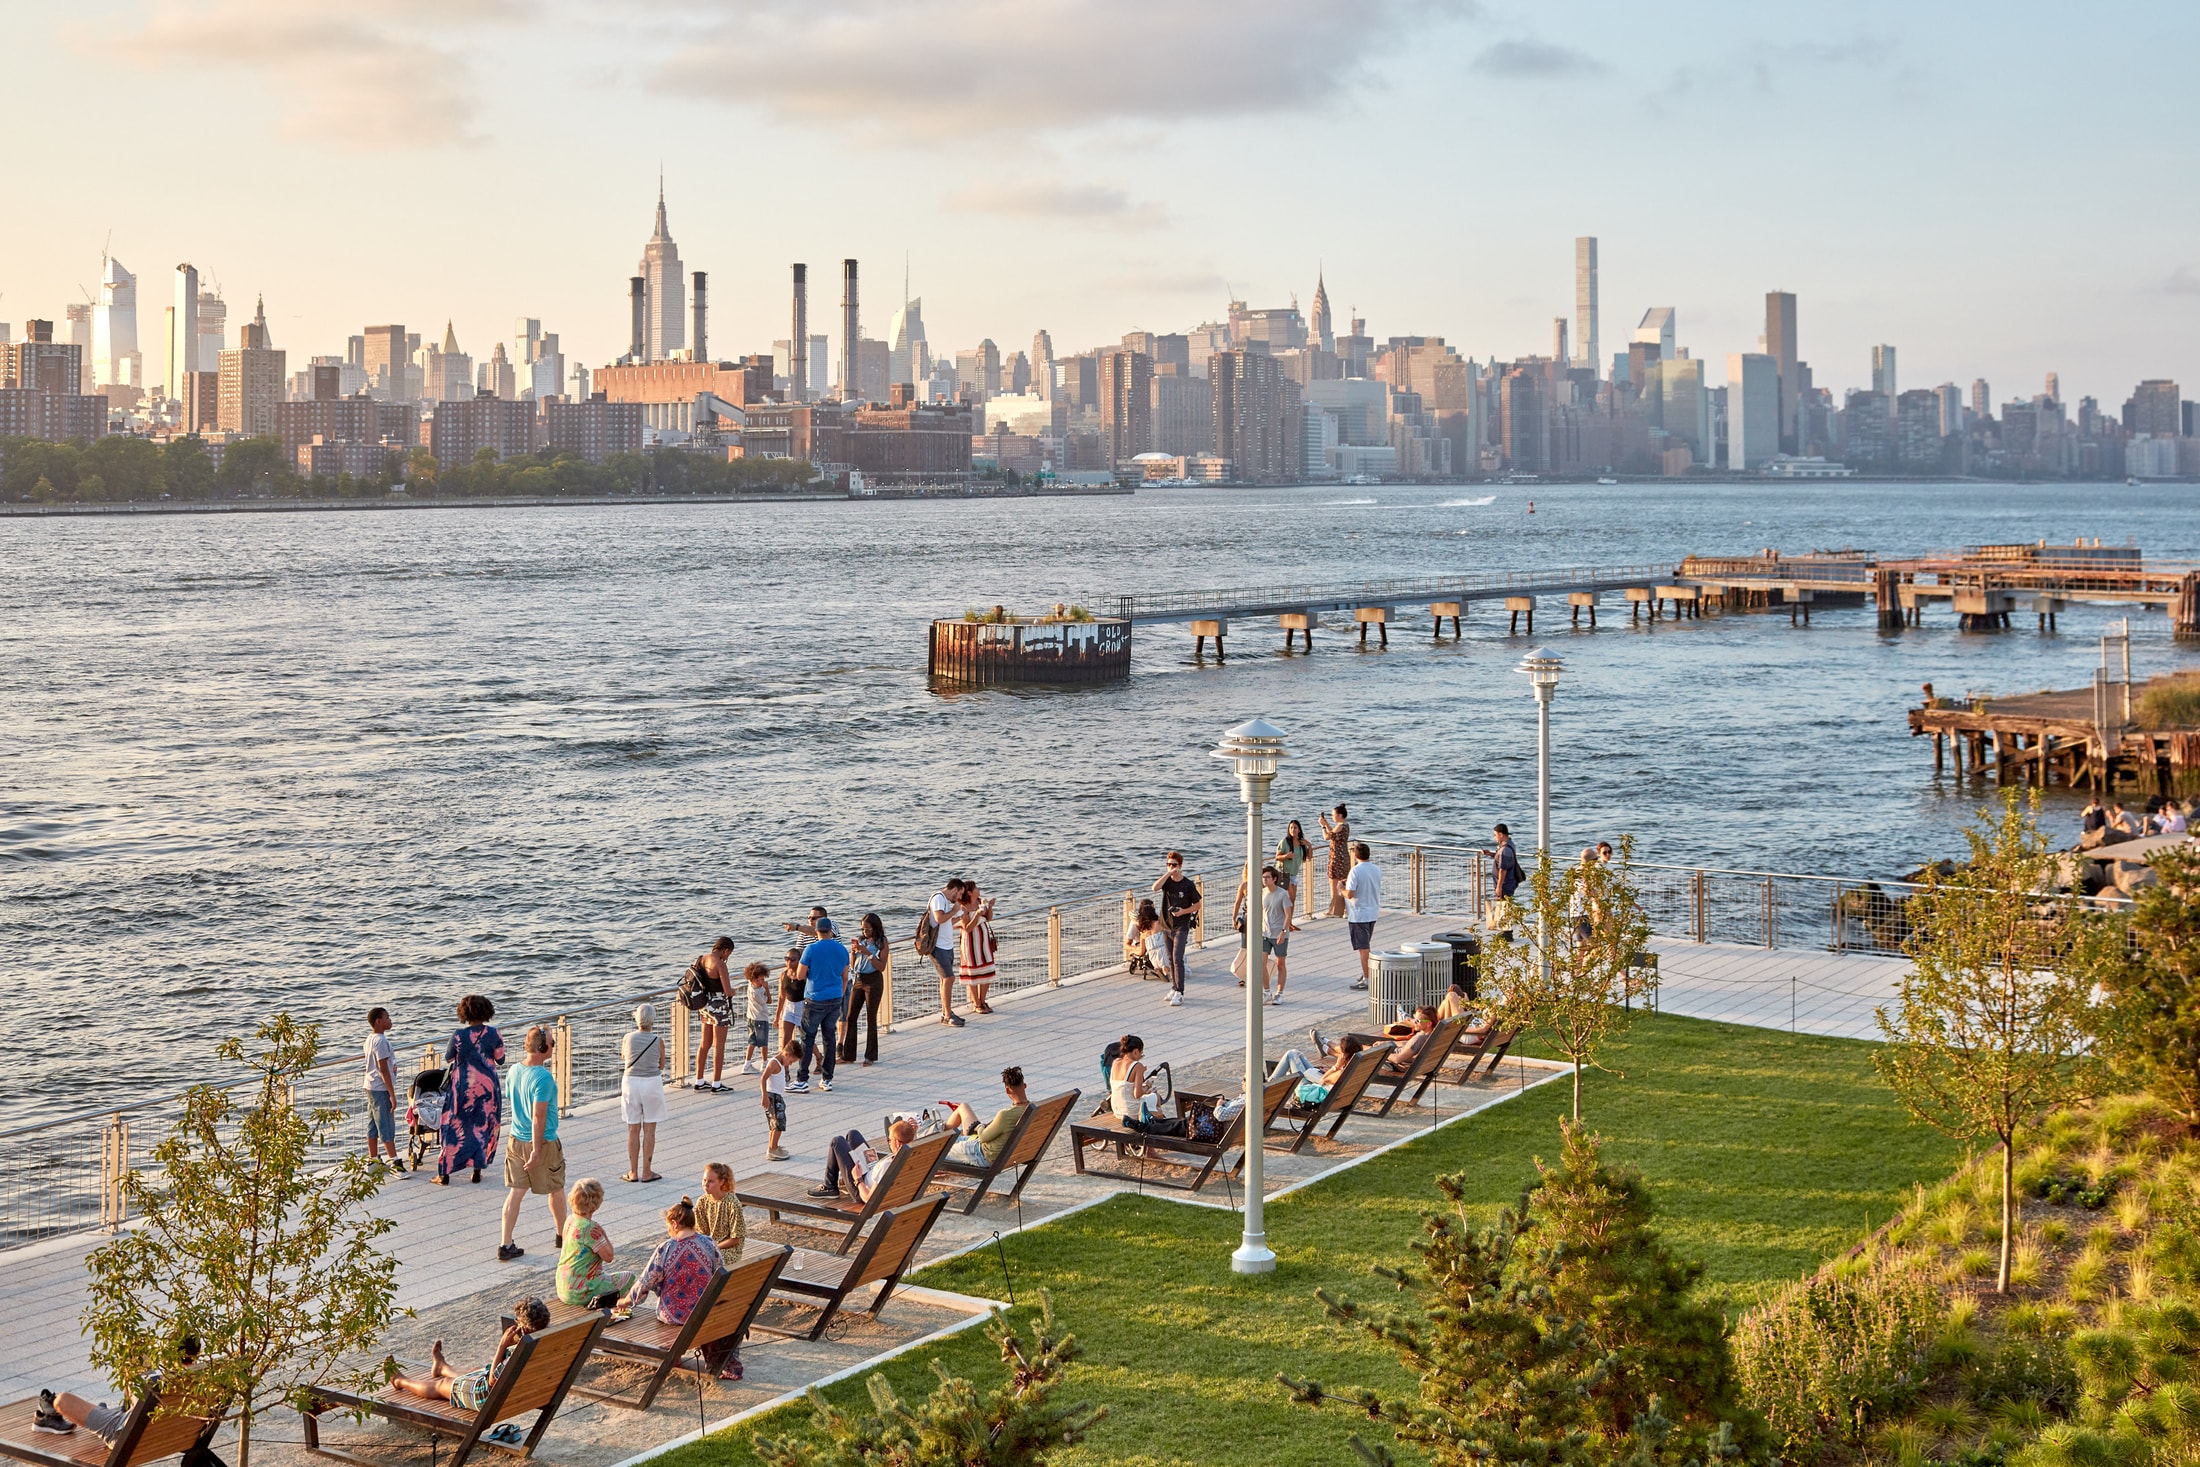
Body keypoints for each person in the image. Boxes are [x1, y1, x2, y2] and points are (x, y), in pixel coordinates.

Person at [387, 1300, 546, 1409]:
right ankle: (442, 1367)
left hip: (487, 1398)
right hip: (518, 1393)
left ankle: (400, 1381)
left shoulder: (520, 1352)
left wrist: (502, 1345)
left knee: (443, 1384)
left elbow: (492, 1381)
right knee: (476, 1370)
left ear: (523, 1328)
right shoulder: (545, 1342)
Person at [34, 1336, 200, 1439]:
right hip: (175, 1434)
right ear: (197, 1354)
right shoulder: (207, 1381)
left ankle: (48, 1414)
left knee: (63, 1400)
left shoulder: (155, 1382)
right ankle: (101, 1411)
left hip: (124, 1432)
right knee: (110, 1410)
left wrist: (141, 1361)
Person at [498, 1024, 566, 1263]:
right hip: (543, 1142)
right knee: (556, 1189)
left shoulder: (514, 1070)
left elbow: (511, 1098)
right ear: (542, 1047)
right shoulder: (544, 1078)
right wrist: (537, 1149)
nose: (553, 1047)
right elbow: (538, 1116)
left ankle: (505, 1243)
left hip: (515, 1140)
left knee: (515, 1192)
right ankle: (561, 1236)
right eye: (552, 1043)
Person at [619, 1197, 729, 1338]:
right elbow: (720, 1271)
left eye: (668, 1227)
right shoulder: (709, 1243)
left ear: (674, 1223)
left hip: (673, 1314)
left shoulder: (666, 1248)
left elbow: (645, 1281)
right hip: (704, 1311)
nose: (669, 1231)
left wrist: (625, 1301)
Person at [438, 995, 504, 1186]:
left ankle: (445, 1174)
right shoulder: (494, 1033)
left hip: (463, 1088)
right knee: (482, 1126)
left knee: (455, 1125)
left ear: (464, 1013)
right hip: (487, 1088)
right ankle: (476, 1169)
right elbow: (500, 1059)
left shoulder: (459, 1035)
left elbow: (449, 1057)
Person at [792, 916, 848, 1093]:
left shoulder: (810, 949)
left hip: (815, 998)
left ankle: (802, 1080)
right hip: (835, 997)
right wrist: (838, 992)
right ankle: (827, 1079)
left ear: (816, 931)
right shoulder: (842, 949)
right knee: (829, 1038)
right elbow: (845, 976)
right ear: (831, 931)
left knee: (807, 1039)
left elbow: (800, 975)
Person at [556, 1179, 633, 1307]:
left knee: (606, 1278)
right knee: (629, 1278)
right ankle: (618, 1314)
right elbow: (609, 1256)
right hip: (581, 1290)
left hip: (564, 1285)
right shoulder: (591, 1229)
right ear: (595, 1203)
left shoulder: (570, 1220)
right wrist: (603, 1234)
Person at [938, 1066, 1031, 1169]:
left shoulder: (1005, 1115)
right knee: (949, 1141)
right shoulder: (1033, 1109)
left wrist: (980, 1127)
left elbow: (983, 1137)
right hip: (1007, 1155)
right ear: (1025, 1086)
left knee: (939, 1150)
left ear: (1007, 1091)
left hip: (984, 1155)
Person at [807, 1117, 918, 1201]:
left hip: (861, 1186)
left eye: (889, 1140)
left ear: (897, 1143)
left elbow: (869, 1199)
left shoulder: (886, 1167)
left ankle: (829, 1186)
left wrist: (858, 1179)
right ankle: (842, 1176)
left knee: (837, 1142)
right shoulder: (912, 1154)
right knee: (853, 1134)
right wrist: (913, 1132)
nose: (888, 1142)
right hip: (871, 1170)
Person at [620, 1004, 665, 1183]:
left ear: (637, 1019)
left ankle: (633, 1172)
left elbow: (624, 1058)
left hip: (631, 1083)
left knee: (632, 1129)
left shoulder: (627, 1038)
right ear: (652, 1020)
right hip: (651, 1084)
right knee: (649, 1130)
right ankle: (647, 1172)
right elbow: (661, 1066)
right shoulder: (658, 1040)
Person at [1151, 852, 1201, 1008]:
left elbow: (1198, 904)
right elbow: (1154, 888)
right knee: (1170, 959)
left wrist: (1182, 911)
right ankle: (1174, 987)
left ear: (1180, 866)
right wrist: (1168, 874)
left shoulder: (1187, 885)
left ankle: (1180, 992)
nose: (1171, 867)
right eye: (1169, 864)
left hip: (1181, 926)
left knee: (1178, 958)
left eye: (1174, 865)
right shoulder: (1167, 882)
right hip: (1166, 925)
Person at [690, 937, 736, 1093]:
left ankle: (699, 1080)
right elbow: (728, 991)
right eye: (729, 954)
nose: (728, 957)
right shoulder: (720, 964)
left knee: (704, 1043)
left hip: (704, 1005)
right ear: (726, 950)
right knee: (719, 1046)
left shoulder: (701, 959)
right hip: (719, 1007)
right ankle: (716, 1083)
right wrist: (735, 991)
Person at [841, 912, 888, 1067]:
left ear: (875, 928)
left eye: (867, 929)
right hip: (859, 979)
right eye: (863, 929)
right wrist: (853, 953)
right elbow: (853, 966)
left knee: (871, 1017)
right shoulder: (861, 941)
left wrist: (868, 953)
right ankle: (848, 1054)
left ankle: (870, 1055)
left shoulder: (882, 942)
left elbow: (881, 967)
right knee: (851, 1016)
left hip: (873, 980)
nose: (864, 932)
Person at [1271, 1033, 1367, 1104]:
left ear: (1344, 1055)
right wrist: (1333, 1070)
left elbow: (1324, 1079)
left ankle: (1269, 1084)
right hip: (1321, 1088)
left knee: (1291, 1054)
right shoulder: (1355, 1067)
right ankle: (1271, 1081)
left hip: (1309, 1091)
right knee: (1297, 1054)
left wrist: (1336, 1067)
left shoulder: (1341, 1073)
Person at [926, 877, 968, 1027]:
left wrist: (958, 918)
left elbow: (945, 923)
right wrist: (954, 911)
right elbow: (938, 918)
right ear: (955, 890)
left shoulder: (944, 900)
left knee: (945, 979)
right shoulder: (939, 898)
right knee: (949, 978)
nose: (959, 898)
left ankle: (946, 1012)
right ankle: (948, 1015)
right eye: (960, 894)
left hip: (946, 945)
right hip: (938, 946)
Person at [363, 1006, 401, 1170]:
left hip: (370, 1085)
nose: (390, 1020)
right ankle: (395, 1162)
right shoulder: (381, 1041)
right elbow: (383, 1068)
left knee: (373, 1124)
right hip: (380, 1088)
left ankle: (373, 1159)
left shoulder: (369, 1039)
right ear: (378, 1021)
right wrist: (392, 1094)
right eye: (387, 1017)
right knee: (385, 1124)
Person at [956, 881, 999, 1014]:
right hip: (970, 942)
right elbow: (967, 928)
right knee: (972, 973)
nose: (979, 890)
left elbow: (989, 918)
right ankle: (976, 1003)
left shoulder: (979, 902)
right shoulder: (963, 907)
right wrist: (977, 915)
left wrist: (989, 907)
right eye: (976, 888)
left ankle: (983, 1000)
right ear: (969, 892)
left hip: (984, 941)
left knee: (988, 969)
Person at [1345, 841, 1382, 991]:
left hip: (1358, 914)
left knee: (1363, 948)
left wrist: (1341, 888)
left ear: (1355, 855)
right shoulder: (1376, 869)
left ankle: (1367, 979)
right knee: (1366, 945)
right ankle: (1366, 973)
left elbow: (1349, 893)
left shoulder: (1355, 871)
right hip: (1372, 912)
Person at [694, 1160, 746, 1264]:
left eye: (711, 1181)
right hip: (709, 1246)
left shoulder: (732, 1204)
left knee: (710, 1262)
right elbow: (700, 1232)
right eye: (704, 1180)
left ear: (721, 1182)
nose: (706, 1184)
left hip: (728, 1250)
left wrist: (714, 1247)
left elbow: (736, 1239)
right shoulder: (702, 1201)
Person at [758, 1035, 797, 1161]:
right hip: (772, 1096)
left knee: (775, 1124)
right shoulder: (774, 1064)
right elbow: (763, 1078)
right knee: (778, 1124)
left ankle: (772, 1146)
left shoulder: (780, 1063)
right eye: (791, 1061)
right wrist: (764, 1095)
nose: (789, 1064)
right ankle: (772, 1149)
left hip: (777, 1096)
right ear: (786, 1054)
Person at [1260, 864, 1292, 1004]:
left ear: (1274, 879)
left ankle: (1279, 993)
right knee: (1261, 963)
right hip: (1264, 933)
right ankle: (1266, 991)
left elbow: (1288, 914)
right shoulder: (1261, 893)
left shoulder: (1282, 894)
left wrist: (1283, 932)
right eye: (1263, 877)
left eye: (1267, 877)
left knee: (1280, 964)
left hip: (1279, 934)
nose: (1264, 880)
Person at [1108, 1037, 1159, 1121]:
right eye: (1141, 1054)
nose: (1140, 1057)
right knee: (1155, 1097)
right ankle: (1154, 1126)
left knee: (1153, 1101)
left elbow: (1125, 1086)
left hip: (1117, 1110)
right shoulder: (1137, 1066)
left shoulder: (1116, 1062)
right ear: (1136, 1051)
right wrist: (1147, 1086)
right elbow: (1137, 1094)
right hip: (1130, 1112)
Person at [1378, 1008, 1440, 1078]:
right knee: (1368, 1047)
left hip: (1393, 1063)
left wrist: (1380, 1052)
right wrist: (1388, 1043)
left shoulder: (1420, 1038)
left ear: (1429, 1024)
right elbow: (1408, 1044)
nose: (1414, 1022)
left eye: (1418, 1021)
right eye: (1414, 1019)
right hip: (1396, 1054)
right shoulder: (1430, 1035)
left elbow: (1397, 1059)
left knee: (1364, 1050)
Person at [1275, 820, 1313, 931]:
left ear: (1299, 829)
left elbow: (1309, 857)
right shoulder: (1285, 842)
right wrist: (1286, 856)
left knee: (1292, 900)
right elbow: (1277, 856)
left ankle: (1289, 923)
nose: (1293, 830)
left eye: (1295, 828)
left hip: (1294, 874)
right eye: (1291, 828)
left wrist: (1309, 845)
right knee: (1289, 898)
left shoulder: (1301, 844)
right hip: (1284, 874)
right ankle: (1285, 924)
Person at [1319, 805, 1352, 916]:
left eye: (1333, 815)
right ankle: (1344, 909)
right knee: (1343, 883)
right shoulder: (1344, 826)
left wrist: (1322, 826)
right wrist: (1327, 824)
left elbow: (1327, 837)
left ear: (1339, 815)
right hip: (1344, 857)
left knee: (1334, 884)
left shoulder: (1340, 826)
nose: (1332, 816)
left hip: (1336, 858)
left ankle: (1333, 910)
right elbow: (1333, 833)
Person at [741, 961, 772, 1073]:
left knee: (752, 1042)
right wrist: (767, 989)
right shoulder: (757, 992)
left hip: (751, 1017)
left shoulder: (750, 985)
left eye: (762, 980)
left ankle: (747, 1064)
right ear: (752, 979)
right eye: (758, 980)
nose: (760, 982)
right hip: (760, 1018)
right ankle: (764, 1063)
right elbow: (768, 1001)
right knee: (763, 1043)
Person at [1490, 824, 1524, 922]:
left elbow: (1502, 869)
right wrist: (1491, 854)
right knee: (1504, 907)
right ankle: (1505, 931)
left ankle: (1506, 933)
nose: (1494, 837)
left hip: (1506, 884)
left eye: (1495, 835)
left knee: (1503, 908)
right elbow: (1501, 858)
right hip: (1509, 882)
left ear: (1501, 834)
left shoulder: (1505, 850)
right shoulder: (1510, 844)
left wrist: (1499, 887)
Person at [1124, 900, 1165, 980]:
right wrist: (1134, 949)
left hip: (1151, 944)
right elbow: (1127, 943)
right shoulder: (1135, 923)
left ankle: (1160, 968)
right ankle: (1163, 969)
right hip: (1144, 944)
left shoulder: (1155, 918)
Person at [776, 946, 806, 1052]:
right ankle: (785, 1066)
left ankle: (818, 1056)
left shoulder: (803, 974)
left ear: (798, 960)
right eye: (787, 959)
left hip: (802, 1006)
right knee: (786, 1037)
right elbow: (781, 996)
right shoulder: (783, 975)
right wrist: (777, 1016)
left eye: (792, 960)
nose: (789, 962)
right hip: (789, 1006)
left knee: (805, 1037)